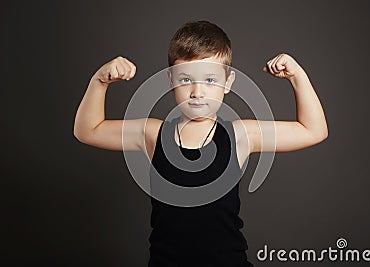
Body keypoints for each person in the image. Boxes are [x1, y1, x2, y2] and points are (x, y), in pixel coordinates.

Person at [73, 20, 328, 267]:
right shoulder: (153, 133)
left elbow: (313, 130)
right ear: (171, 81)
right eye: (185, 80)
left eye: (210, 80)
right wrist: (99, 81)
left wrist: (297, 77)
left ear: (227, 84)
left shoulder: (240, 135)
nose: (197, 92)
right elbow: (88, 130)